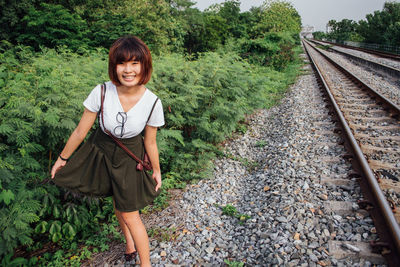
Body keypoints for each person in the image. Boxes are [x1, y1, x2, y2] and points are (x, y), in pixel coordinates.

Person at [51, 35, 164, 267]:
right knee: (118, 204)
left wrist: (157, 170)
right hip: (101, 150)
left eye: (135, 63)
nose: (128, 70)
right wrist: (62, 159)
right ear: (114, 66)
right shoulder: (102, 91)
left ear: (144, 66)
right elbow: (80, 132)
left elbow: (150, 142)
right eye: (122, 63)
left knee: (130, 213)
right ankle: (129, 245)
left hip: (129, 155)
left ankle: (146, 264)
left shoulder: (153, 102)